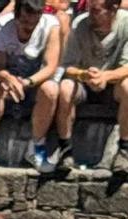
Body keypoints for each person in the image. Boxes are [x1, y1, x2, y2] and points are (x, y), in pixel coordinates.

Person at [0, 0, 59, 168]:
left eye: (33, 22)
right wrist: (8, 79)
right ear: (15, 16)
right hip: (8, 81)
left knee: (51, 90)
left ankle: (37, 145)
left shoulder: (51, 25)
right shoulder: (2, 25)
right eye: (24, 21)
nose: (29, 27)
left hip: (35, 81)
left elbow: (50, 66)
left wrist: (28, 82)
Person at [54, 0, 128, 173]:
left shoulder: (126, 24)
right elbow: (68, 66)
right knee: (65, 87)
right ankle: (65, 149)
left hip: (114, 83)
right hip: (85, 82)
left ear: (113, 10)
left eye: (96, 11)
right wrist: (83, 74)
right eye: (89, 9)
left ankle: (124, 150)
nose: (90, 15)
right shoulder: (80, 23)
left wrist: (105, 76)